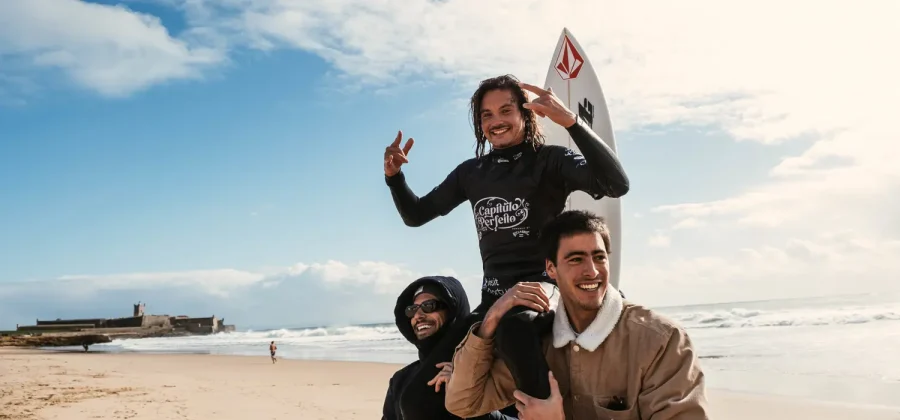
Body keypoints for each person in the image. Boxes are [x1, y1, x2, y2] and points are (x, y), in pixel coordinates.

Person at [383, 74, 630, 418]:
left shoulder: (550, 160)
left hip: (543, 289)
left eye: (505, 110)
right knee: (417, 400)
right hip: (492, 300)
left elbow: (615, 184)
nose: (496, 121)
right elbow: (416, 214)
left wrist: (570, 122)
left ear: (525, 114)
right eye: (486, 115)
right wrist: (394, 179)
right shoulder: (472, 173)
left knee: (515, 327)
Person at [444, 210, 710, 420]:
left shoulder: (661, 341)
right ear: (551, 269)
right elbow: (463, 403)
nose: (592, 271)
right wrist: (490, 321)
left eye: (599, 257)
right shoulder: (538, 339)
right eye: (576, 259)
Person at [382, 275, 517, 420]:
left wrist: (464, 386)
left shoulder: (492, 369)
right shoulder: (401, 380)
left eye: (429, 306)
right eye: (412, 309)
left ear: (453, 311)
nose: (418, 315)